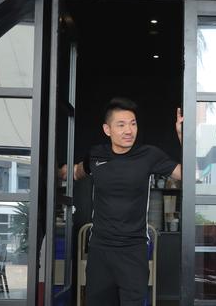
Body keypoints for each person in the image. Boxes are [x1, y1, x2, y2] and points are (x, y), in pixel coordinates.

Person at [60, 97, 182, 306]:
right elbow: (74, 172)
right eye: (121, 124)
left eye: (133, 124)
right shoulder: (96, 155)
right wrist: (50, 172)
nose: (129, 130)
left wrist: (182, 136)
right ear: (107, 130)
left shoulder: (149, 155)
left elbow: (186, 175)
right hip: (100, 250)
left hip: (133, 251)